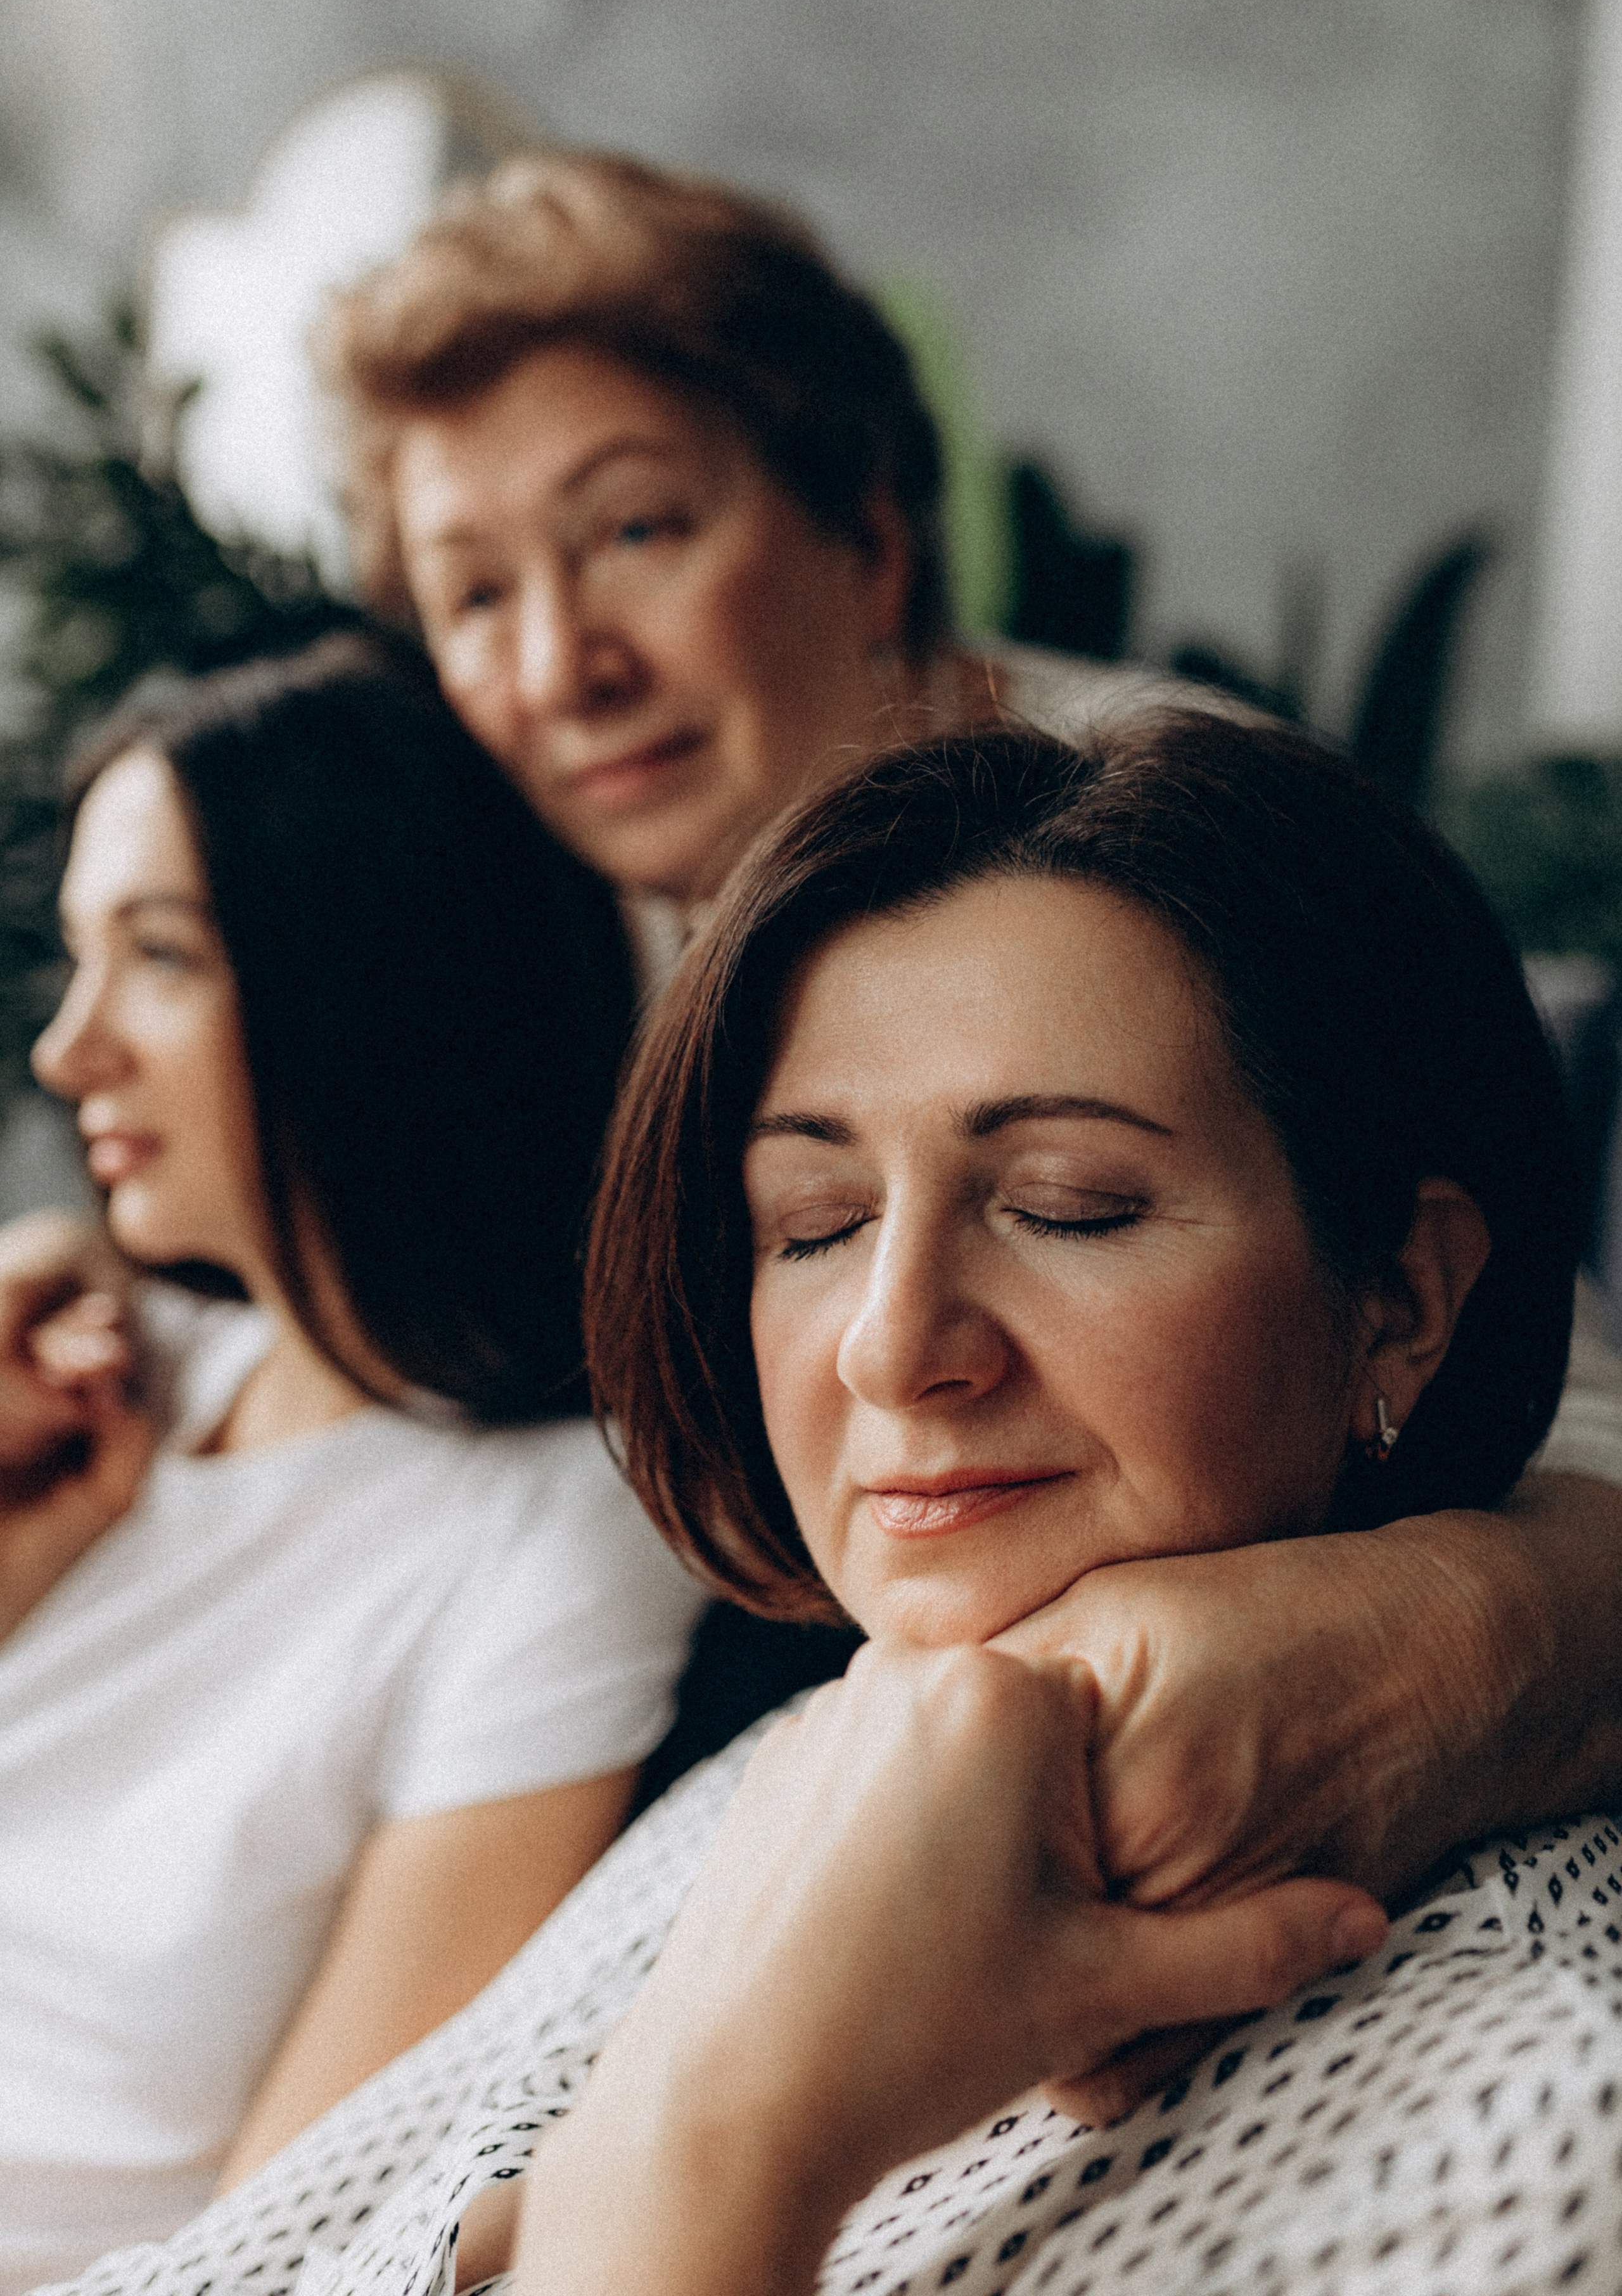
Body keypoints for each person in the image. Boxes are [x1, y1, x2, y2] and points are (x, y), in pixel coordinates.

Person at [45, 714, 1614, 2296]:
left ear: (1401, 1298)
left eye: (1066, 1206)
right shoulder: (772, 1787)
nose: (888, 1342)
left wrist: (719, 2145)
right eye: (814, 1222)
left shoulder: (1536, 2110)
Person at [308, 148, 1622, 1979]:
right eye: (470, 595)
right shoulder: (540, 945)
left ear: (865, 530)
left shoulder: (1163, 834)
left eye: (635, 532)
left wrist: (1447, 1632)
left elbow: (1555, 1410)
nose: (560, 666)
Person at [0, 634, 703, 2292]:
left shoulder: (553, 1533)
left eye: (158, 959)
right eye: (77, 960)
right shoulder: (106, 1386)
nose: (68, 1050)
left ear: (364, 985)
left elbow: (291, 2236)